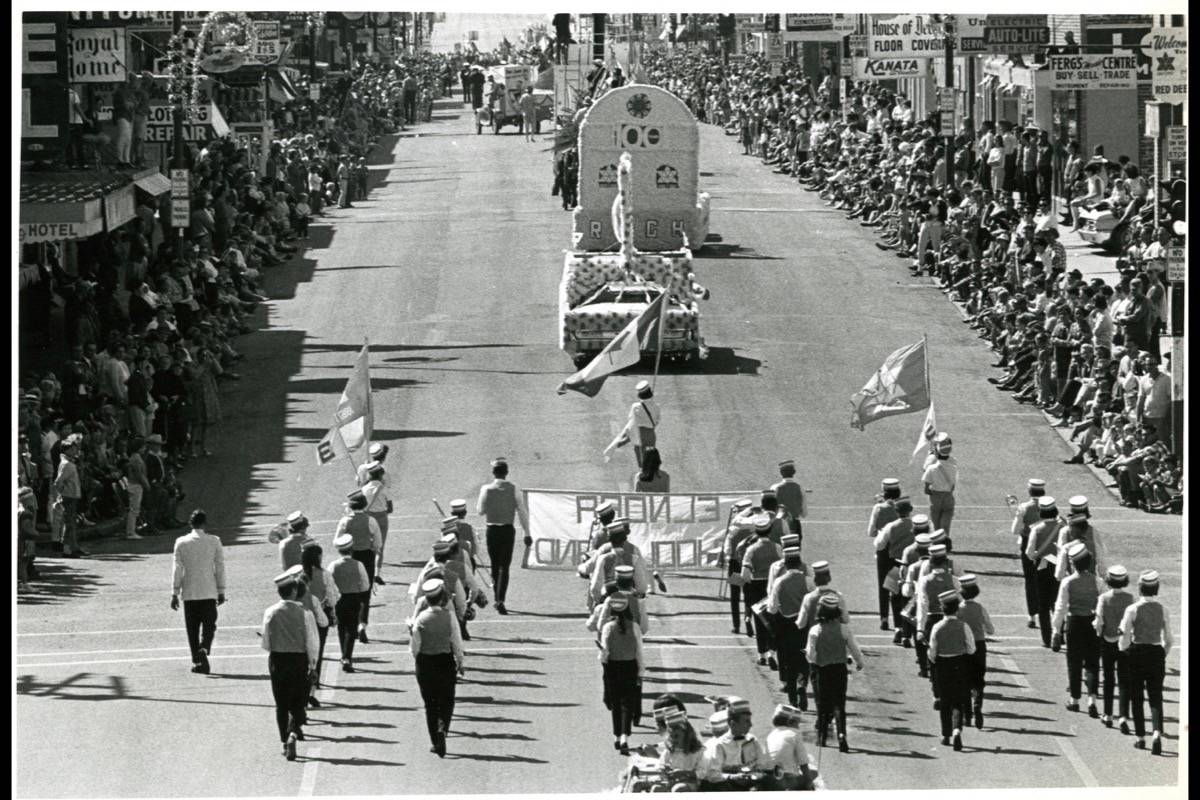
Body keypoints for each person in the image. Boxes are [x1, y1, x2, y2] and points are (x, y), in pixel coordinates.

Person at [261, 565, 319, 762]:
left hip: (278, 660)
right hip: (299, 659)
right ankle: (294, 732)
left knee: (281, 704)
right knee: (299, 702)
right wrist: (312, 665)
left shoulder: (270, 612)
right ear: (294, 591)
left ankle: (284, 742)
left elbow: (266, 643)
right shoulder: (305, 613)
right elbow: (312, 642)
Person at [1119, 570, 1173, 754]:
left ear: (1140, 588)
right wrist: (1162, 653)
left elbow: (1125, 635)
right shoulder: (1163, 609)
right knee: (1156, 696)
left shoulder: (1132, 609)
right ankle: (1157, 732)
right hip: (1156, 651)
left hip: (1137, 652)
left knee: (1137, 696)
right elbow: (1170, 639)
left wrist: (1124, 649)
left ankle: (1141, 737)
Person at [411, 577, 464, 758]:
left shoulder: (420, 618)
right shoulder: (449, 617)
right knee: (447, 700)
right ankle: (443, 729)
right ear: (442, 597)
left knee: (430, 704)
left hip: (425, 663)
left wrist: (418, 659)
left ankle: (435, 740)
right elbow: (456, 640)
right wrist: (460, 660)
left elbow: (415, 646)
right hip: (445, 661)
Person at [171, 509, 226, 674]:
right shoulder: (214, 541)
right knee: (210, 625)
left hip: (189, 592)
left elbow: (177, 569)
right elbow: (220, 567)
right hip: (209, 590)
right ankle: (205, 647)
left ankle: (197, 659)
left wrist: (175, 592)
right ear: (204, 523)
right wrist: (221, 589)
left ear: (190, 523)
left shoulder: (181, 542)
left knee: (192, 629)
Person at [806, 594, 864, 752]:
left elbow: (811, 654)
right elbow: (854, 648)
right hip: (839, 669)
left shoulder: (815, 630)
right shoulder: (844, 629)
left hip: (822, 670)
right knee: (839, 704)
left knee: (823, 703)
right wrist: (859, 662)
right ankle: (842, 735)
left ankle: (822, 736)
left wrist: (815, 661)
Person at [1052, 543, 1102, 716]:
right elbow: (1101, 604)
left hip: (1074, 623)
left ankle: (1074, 700)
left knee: (1074, 663)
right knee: (1093, 664)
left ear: (1073, 564)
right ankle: (1092, 700)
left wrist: (1056, 630)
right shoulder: (1097, 581)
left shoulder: (1067, 582)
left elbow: (1060, 607)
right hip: (1092, 622)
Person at [476, 457, 529, 614]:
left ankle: (497, 597)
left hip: (492, 529)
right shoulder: (514, 489)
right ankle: (500, 599)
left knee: (494, 564)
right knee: (504, 567)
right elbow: (522, 512)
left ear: (493, 473)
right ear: (506, 473)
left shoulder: (486, 489)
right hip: (507, 530)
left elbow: (480, 511)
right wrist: (527, 532)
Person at [928, 589, 974, 751]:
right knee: (958, 700)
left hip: (942, 665)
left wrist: (935, 660)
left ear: (942, 609)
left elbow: (932, 652)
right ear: (957, 609)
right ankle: (956, 730)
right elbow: (971, 648)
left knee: (945, 701)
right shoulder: (963, 626)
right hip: (959, 663)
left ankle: (946, 734)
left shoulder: (937, 627)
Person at [599, 593, 644, 755]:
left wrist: (603, 656)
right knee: (627, 704)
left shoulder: (608, 627)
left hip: (613, 667)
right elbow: (639, 651)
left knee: (616, 704)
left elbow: (604, 653)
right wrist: (641, 671)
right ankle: (625, 736)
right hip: (630, 666)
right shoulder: (634, 627)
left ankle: (617, 736)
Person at [334, 490, 381, 642]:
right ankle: (362, 624)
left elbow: (336, 541)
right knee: (365, 593)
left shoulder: (344, 521)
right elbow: (378, 543)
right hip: (366, 556)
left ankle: (351, 625)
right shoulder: (371, 520)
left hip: (350, 555)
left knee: (349, 591)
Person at [766, 546, 810, 710]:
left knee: (788, 661)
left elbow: (772, 608)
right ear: (799, 564)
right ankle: (802, 685)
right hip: (804, 623)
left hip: (786, 624)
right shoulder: (808, 580)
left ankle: (792, 698)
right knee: (804, 658)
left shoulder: (780, 581)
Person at [697, 698, 771, 787]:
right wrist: (732, 777)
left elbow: (761, 764)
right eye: (746, 721)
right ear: (733, 723)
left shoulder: (752, 740)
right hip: (730, 785)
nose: (751, 725)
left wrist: (757, 773)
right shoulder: (720, 745)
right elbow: (713, 775)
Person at [1095, 565, 1134, 730]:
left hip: (1107, 641)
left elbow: (1099, 621)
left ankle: (1108, 714)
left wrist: (1099, 633)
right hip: (1125, 642)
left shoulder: (1103, 598)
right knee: (1124, 680)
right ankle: (1124, 716)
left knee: (1108, 678)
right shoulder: (1130, 598)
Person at [740, 516, 782, 667]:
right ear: (769, 531)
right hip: (772, 586)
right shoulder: (777, 547)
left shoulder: (751, 550)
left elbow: (745, 574)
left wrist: (749, 582)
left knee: (759, 620)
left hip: (756, 586)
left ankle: (762, 654)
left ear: (756, 532)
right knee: (773, 619)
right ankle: (773, 652)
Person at [1025, 496, 1065, 647]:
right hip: (1061, 566)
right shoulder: (1062, 526)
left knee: (1043, 605)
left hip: (1043, 567)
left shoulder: (1037, 528)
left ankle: (1047, 638)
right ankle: (1060, 634)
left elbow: (1029, 552)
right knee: (1059, 603)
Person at [300, 541, 336, 708]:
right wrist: (332, 611)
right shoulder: (324, 574)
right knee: (317, 650)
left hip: (300, 616)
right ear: (319, 557)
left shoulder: (297, 575)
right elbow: (333, 596)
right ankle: (314, 685)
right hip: (319, 614)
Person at [956, 574, 994, 728]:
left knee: (964, 680)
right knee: (979, 679)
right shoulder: (980, 608)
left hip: (963, 646)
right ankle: (977, 705)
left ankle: (967, 715)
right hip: (979, 645)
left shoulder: (958, 609)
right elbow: (990, 629)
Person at [328, 532, 369, 672]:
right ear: (351, 549)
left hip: (339, 599)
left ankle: (343, 654)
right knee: (351, 629)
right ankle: (347, 656)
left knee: (341, 627)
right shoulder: (358, 564)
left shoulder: (333, 565)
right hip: (353, 598)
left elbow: (329, 584)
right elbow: (365, 585)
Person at [874, 496, 914, 635]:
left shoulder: (891, 527)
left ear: (897, 512)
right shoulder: (917, 525)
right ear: (911, 511)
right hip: (913, 563)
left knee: (895, 595)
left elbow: (879, 545)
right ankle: (909, 629)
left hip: (895, 564)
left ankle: (898, 627)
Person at [1010, 478, 1047, 629]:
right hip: (1046, 546)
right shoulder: (1050, 505)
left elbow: (1015, 530)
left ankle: (1032, 616)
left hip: (1028, 545)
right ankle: (1047, 612)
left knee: (1030, 580)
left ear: (1029, 491)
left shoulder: (1024, 507)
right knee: (1046, 579)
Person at [765, 704, 814, 789]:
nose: (798, 727)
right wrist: (809, 783)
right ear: (789, 722)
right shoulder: (794, 733)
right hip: (786, 778)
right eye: (797, 723)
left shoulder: (771, 735)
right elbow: (803, 762)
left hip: (769, 777)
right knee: (813, 774)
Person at [655, 708, 704, 789]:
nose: (674, 740)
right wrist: (663, 768)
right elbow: (661, 763)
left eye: (677, 736)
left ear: (687, 735)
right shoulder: (670, 750)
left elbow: (702, 772)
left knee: (678, 788)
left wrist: (684, 773)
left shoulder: (698, 751)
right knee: (655, 788)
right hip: (671, 780)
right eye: (671, 736)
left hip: (689, 782)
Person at [361, 460, 392, 584]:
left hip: (368, 517)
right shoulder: (383, 489)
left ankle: (368, 571)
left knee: (369, 545)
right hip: (382, 517)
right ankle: (377, 573)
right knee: (380, 546)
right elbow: (390, 508)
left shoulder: (364, 489)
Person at [54, 435, 85, 558]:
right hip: (68, 496)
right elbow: (58, 481)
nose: (75, 451)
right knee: (69, 523)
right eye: (72, 449)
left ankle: (74, 547)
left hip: (72, 495)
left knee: (72, 523)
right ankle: (67, 549)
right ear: (66, 450)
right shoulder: (66, 464)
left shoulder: (70, 463)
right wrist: (62, 493)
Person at [922, 433, 957, 535]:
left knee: (935, 519)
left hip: (935, 496)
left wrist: (931, 455)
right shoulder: (953, 464)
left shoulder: (931, 468)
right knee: (947, 514)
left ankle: (937, 538)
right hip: (948, 495)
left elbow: (926, 488)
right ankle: (945, 537)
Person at [626, 381, 661, 468]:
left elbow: (631, 420)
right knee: (650, 454)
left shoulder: (635, 407)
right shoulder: (656, 406)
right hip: (651, 433)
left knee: (640, 454)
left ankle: (642, 473)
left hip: (640, 432)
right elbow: (657, 420)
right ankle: (651, 473)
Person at [771, 459, 807, 538]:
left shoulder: (775, 488)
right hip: (794, 524)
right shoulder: (800, 488)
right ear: (793, 472)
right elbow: (804, 514)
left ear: (781, 473)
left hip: (779, 524)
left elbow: (770, 510)